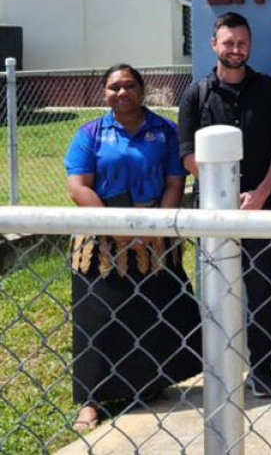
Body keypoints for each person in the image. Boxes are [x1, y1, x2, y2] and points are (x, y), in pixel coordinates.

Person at [66, 64, 202, 434]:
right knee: (98, 320)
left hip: (154, 237)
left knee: (152, 312)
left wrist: (157, 225)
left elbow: (176, 181)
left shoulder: (166, 132)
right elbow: (78, 186)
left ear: (142, 90)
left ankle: (146, 385)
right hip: (102, 239)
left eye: (129, 86)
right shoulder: (90, 134)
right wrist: (117, 228)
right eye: (114, 87)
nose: (122, 93)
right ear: (104, 93)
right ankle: (91, 401)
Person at [177, 11, 271, 398]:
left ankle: (260, 370)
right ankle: (220, 372)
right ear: (214, 45)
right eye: (228, 43)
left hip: (265, 212)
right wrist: (223, 195)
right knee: (217, 294)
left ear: (250, 45)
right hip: (215, 215)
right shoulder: (196, 94)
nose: (235, 50)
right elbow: (188, 156)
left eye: (242, 43)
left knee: (261, 294)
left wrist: (260, 194)